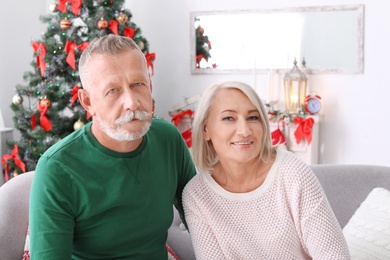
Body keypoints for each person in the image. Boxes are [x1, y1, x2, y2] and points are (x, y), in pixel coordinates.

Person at [29, 34, 196, 259]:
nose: (132, 102)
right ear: (87, 101)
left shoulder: (168, 139)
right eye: (113, 91)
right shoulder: (57, 169)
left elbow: (202, 220)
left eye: (138, 84)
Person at [182, 81, 350, 259]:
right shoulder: (196, 194)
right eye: (229, 118)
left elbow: (334, 255)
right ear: (205, 130)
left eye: (253, 118)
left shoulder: (292, 172)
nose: (245, 131)